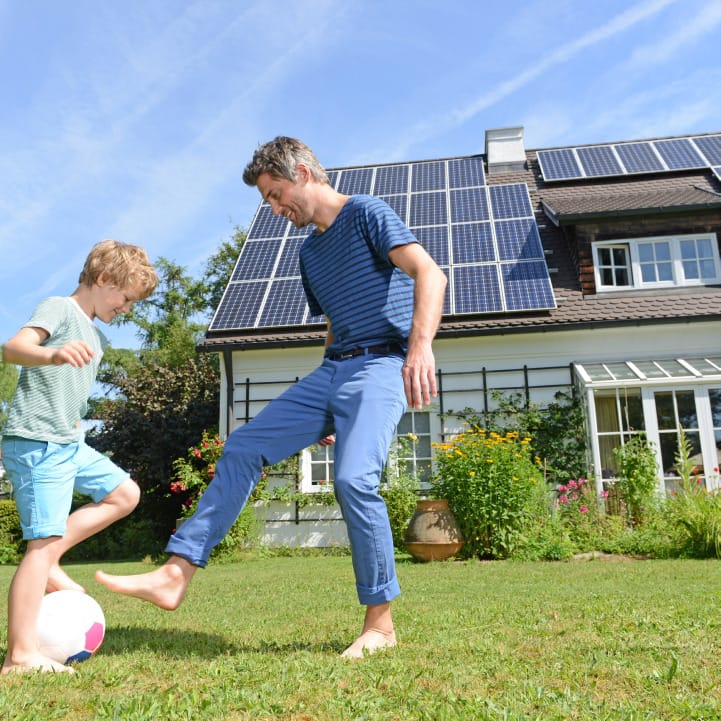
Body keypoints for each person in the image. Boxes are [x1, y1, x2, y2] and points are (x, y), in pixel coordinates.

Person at [95, 136, 447, 658]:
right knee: (242, 446)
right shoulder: (310, 252)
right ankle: (176, 572)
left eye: (276, 194)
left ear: (304, 173)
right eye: (268, 201)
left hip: (382, 364)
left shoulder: (368, 213)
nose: (275, 208)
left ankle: (380, 625)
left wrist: (419, 349)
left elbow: (429, 273)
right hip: (335, 371)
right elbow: (334, 326)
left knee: (353, 480)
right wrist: (323, 405)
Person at [1, 240, 158, 674]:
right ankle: (19, 654)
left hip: (67, 443)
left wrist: (75, 422)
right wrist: (51, 353)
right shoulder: (59, 308)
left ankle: (49, 560)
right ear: (104, 279)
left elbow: (67, 394)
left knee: (124, 494)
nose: (127, 308)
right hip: (36, 442)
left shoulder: (94, 333)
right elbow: (12, 348)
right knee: (41, 544)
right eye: (125, 298)